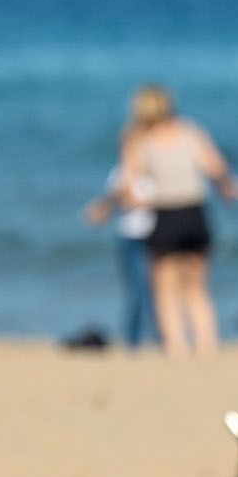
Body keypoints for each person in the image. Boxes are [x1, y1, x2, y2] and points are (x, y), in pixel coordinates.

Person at [119, 84, 238, 358]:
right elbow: (217, 168)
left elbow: (130, 185)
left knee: (165, 288)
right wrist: (229, 189)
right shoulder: (190, 131)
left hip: (165, 214)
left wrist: (127, 201)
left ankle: (176, 347)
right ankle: (207, 344)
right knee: (197, 287)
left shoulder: (139, 138)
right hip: (195, 212)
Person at [82, 137, 157, 349]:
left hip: (156, 235)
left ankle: (162, 338)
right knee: (136, 290)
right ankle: (133, 341)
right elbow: (113, 202)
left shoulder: (155, 171)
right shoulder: (120, 174)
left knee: (155, 290)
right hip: (129, 236)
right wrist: (100, 210)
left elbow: (148, 200)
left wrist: (124, 197)